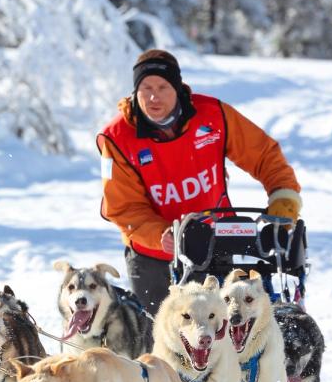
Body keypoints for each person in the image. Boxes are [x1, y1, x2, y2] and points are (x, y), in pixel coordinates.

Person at [96, 49, 302, 314]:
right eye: (145, 87)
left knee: (227, 330)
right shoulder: (116, 138)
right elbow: (123, 208)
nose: (153, 96)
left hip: (218, 238)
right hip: (155, 256)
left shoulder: (213, 115)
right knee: (158, 342)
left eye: (162, 87)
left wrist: (283, 197)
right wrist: (163, 236)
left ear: (178, 88)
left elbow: (263, 154)